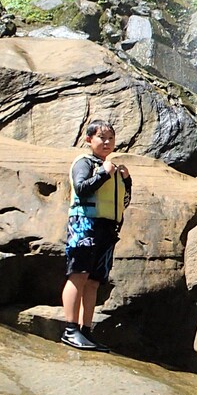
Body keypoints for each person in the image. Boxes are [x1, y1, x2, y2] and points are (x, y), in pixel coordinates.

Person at [62, 119, 131, 351]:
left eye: (111, 138)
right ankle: (70, 329)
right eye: (102, 138)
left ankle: (85, 331)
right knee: (78, 274)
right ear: (89, 139)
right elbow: (81, 188)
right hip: (85, 224)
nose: (107, 142)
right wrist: (103, 173)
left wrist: (127, 181)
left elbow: (124, 201)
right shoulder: (84, 162)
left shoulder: (114, 168)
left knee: (93, 281)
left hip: (107, 228)